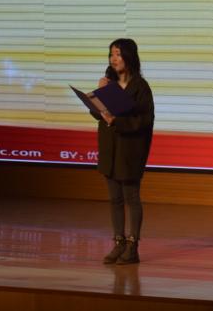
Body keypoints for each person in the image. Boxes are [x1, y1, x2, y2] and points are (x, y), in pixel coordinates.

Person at [92, 38, 155, 265]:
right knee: (115, 199)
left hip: (130, 150)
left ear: (129, 57)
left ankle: (132, 246)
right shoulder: (108, 83)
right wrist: (99, 95)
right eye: (111, 54)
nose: (114, 59)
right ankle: (118, 243)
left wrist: (117, 121)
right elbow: (98, 114)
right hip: (110, 148)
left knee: (131, 197)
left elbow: (144, 121)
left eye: (118, 54)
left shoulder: (141, 87)